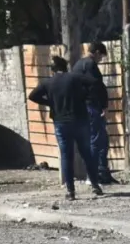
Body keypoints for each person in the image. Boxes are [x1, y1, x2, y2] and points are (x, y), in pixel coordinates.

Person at [28, 55, 104, 200]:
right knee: (86, 154)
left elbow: (32, 96)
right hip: (80, 120)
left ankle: (70, 191)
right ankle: (95, 185)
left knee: (66, 156)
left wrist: (50, 103)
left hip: (61, 122)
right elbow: (95, 83)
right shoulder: (75, 78)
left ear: (53, 69)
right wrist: (86, 97)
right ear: (66, 67)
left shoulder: (48, 82)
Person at [72, 42, 115, 185]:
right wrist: (104, 106)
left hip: (82, 107)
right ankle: (93, 175)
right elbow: (97, 86)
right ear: (96, 52)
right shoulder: (90, 65)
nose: (100, 60)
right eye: (101, 57)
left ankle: (102, 173)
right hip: (92, 107)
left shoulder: (78, 65)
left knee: (101, 140)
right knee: (96, 141)